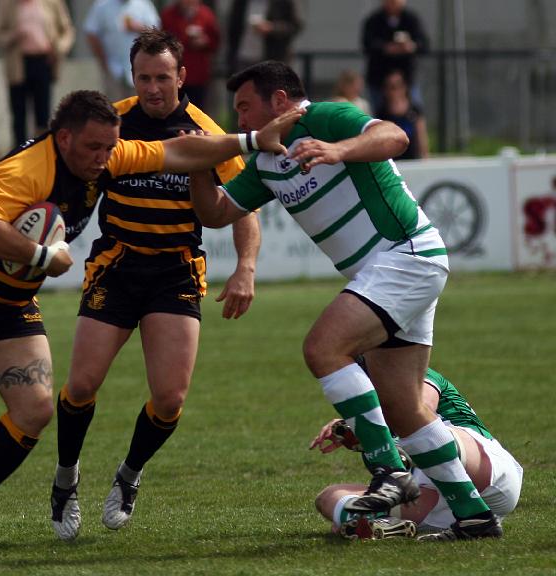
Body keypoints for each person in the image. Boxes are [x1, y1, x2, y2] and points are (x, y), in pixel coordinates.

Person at [0, 88, 301, 563]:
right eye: (92, 149)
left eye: (109, 148)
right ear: (63, 138)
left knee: (35, 411)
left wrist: (249, 140)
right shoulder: (26, 170)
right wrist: (42, 256)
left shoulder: (108, 156)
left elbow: (178, 150)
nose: (103, 159)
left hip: (11, 305)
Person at [188, 59, 503, 541]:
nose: (242, 120)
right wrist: (196, 158)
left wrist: (339, 149)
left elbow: (395, 137)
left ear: (279, 100)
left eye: (245, 107)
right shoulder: (267, 162)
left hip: (407, 255)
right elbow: (214, 213)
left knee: (323, 348)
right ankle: (474, 515)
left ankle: (389, 471)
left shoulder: (325, 117)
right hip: (390, 273)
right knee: (404, 409)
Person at [50, 29, 261, 541]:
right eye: (143, 77)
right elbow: (67, 176)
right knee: (81, 386)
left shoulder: (205, 132)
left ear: (182, 77)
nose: (152, 88)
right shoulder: (113, 123)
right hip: (117, 264)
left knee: (169, 398)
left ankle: (128, 475)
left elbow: (244, 204)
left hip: (175, 271)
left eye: (162, 77)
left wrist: (246, 268)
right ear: (133, 77)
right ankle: (65, 478)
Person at [312, 361, 523, 540]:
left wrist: (370, 430)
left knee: (421, 430)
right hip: (431, 500)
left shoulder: (415, 374)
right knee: (328, 497)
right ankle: (381, 525)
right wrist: (361, 431)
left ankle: (373, 516)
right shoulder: (367, 418)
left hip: (484, 472)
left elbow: (420, 411)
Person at [0, 0, 75, 148]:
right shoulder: (8, 5)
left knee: (43, 113)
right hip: (19, 64)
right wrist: (14, 35)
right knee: (19, 113)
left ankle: (42, 151)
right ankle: (19, 152)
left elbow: (67, 30)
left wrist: (59, 49)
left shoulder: (52, 3)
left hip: (43, 62)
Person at [83, 0, 161, 102]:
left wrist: (138, 27)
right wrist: (103, 61)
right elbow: (91, 32)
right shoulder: (102, 5)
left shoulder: (143, 4)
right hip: (112, 68)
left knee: (138, 106)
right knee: (114, 108)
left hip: (141, 68)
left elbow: (156, 31)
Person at [361, 0, 429, 113]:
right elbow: (367, 44)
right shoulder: (374, 20)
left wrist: (412, 46)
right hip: (379, 77)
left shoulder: (411, 19)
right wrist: (386, 48)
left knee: (415, 112)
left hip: (406, 78)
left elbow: (424, 44)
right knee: (377, 114)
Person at [160, 0, 220, 111]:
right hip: (174, 76)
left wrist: (205, 42)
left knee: (197, 113)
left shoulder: (206, 14)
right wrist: (185, 39)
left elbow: (215, 42)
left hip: (198, 77)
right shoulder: (168, 15)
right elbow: (163, 42)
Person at [226, 0, 303, 75]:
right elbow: (232, 28)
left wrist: (272, 28)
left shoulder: (284, 2)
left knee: (270, 87)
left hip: (272, 60)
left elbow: (295, 26)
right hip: (243, 58)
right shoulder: (241, 2)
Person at [375, 69, 428, 160]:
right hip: (393, 161)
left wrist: (425, 156)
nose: (393, 91)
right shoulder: (382, 113)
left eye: (396, 86)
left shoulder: (414, 110)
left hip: (413, 160)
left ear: (404, 87)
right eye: (389, 87)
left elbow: (421, 136)